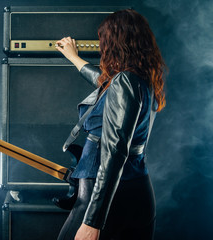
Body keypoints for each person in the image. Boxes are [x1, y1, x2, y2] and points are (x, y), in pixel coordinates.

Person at [55, 9, 167, 240]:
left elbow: (114, 150)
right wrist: (74, 58)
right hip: (135, 192)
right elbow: (104, 83)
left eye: (103, 40)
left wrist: (92, 222)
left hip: (105, 197)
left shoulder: (125, 81)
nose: (101, 46)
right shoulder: (138, 80)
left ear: (115, 43)